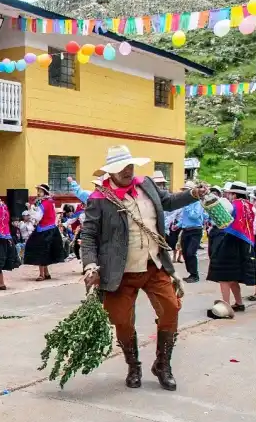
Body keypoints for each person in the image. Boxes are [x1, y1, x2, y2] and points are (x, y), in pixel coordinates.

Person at [82, 146, 207, 391]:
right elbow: (88, 235)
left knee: (171, 308)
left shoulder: (146, 184)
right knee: (122, 321)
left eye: (130, 166)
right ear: (111, 172)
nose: (128, 171)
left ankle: (163, 364)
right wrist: (90, 265)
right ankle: (133, 366)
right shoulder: (100, 199)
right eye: (122, 168)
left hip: (154, 265)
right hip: (121, 271)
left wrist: (193, 193)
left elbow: (168, 202)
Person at [206, 182, 256, 316]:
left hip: (230, 241)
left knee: (224, 275)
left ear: (234, 194)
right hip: (245, 243)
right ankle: (239, 303)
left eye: (229, 193)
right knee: (233, 275)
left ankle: (225, 306)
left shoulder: (231, 205)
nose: (228, 195)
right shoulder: (250, 206)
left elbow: (219, 221)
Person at [22, 183, 65, 281]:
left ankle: (41, 274)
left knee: (40, 251)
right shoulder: (49, 202)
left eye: (40, 191)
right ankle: (46, 273)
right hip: (50, 230)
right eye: (38, 191)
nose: (38, 193)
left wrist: (30, 209)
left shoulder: (44, 204)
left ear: (45, 192)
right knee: (45, 252)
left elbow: (37, 217)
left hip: (44, 231)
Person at [177, 182, 206, 283]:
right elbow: (183, 218)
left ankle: (195, 275)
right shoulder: (186, 204)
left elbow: (194, 216)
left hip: (195, 230)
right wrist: (177, 225)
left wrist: (188, 207)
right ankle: (191, 273)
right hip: (186, 230)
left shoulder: (198, 203)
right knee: (185, 252)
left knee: (191, 253)